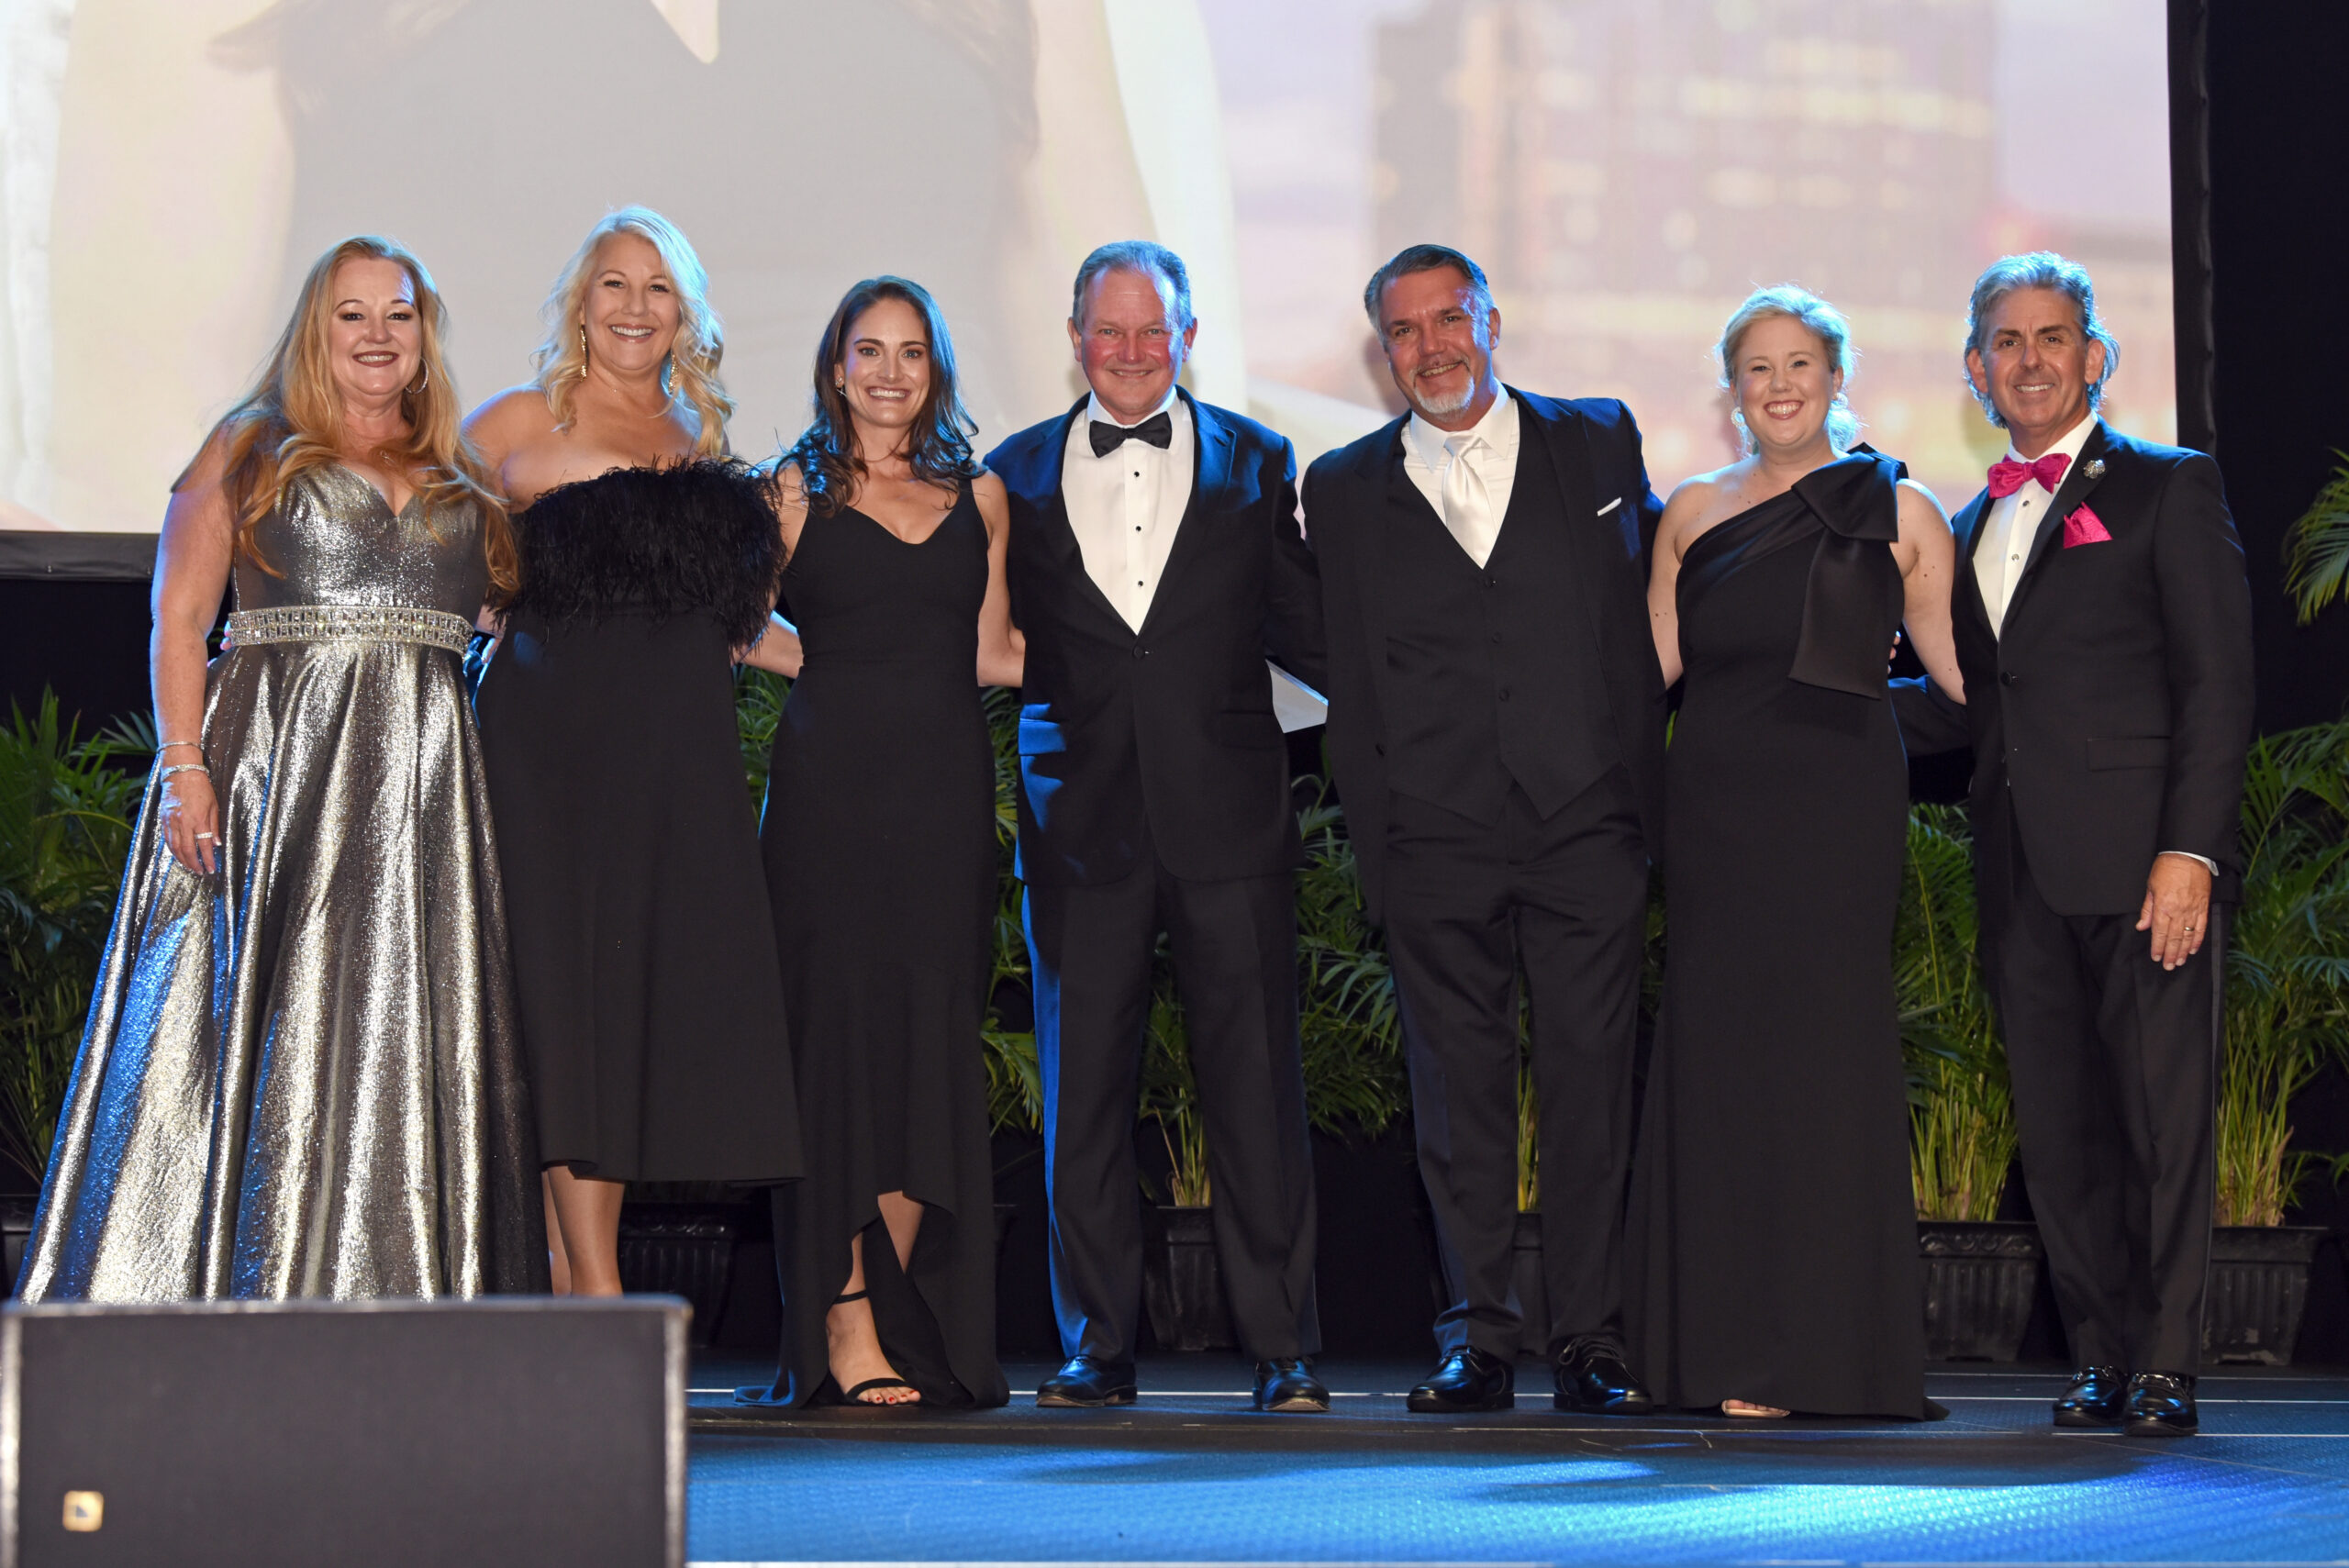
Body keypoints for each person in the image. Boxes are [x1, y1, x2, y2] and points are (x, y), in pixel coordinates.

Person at [17, 237, 543, 1300]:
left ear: (424, 332)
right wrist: (183, 765)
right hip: (275, 771)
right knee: (241, 1029)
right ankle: (212, 1290)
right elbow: (178, 616)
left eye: (398, 314)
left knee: (399, 1027)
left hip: (421, 791)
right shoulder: (250, 444)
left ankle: (390, 1290)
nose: (377, 335)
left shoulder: (461, 472)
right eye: (353, 314)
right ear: (316, 327)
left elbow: (503, 620)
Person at [1894, 253, 2254, 1439]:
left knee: (2159, 1124)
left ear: (2096, 355)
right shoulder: (1969, 521)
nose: (2031, 359)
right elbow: (1966, 705)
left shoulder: (2167, 485)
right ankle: (2100, 1353)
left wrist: (2190, 851)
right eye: (2006, 341)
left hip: (2146, 868)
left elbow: (2215, 684)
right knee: (2059, 1132)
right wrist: (1804, 717)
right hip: (2019, 872)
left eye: (2052, 337)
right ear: (1975, 367)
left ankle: (2166, 1362)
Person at [1301, 245, 1664, 1415]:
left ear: (1491, 322)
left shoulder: (1597, 437)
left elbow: (1660, 587)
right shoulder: (1340, 486)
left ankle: (1591, 1334)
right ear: (1383, 352)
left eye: (1448, 319)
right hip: (1432, 833)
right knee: (1454, 1099)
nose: (1431, 346)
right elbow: (1332, 649)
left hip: (1583, 820)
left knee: (1589, 1086)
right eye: (1404, 331)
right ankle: (1477, 1336)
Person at [985, 242, 1330, 1414]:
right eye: (1108, 329)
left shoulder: (1259, 457)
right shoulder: (1011, 472)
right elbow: (986, 637)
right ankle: (1095, 1344)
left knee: (1256, 1093)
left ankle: (1282, 1347)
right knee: (1082, 1097)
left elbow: (1305, 626)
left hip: (1228, 817)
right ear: (1074, 336)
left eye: (1152, 330)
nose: (1129, 352)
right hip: (1078, 819)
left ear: (1186, 336)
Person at [1626, 287, 1963, 1419]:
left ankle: (1825, 1354)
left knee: (1825, 1062)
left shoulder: (1901, 508)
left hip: (1837, 814)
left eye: (1799, 364)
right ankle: (1724, 1350)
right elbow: (1643, 674)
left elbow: (1962, 673)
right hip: (1715, 814)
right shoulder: (1689, 510)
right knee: (1722, 1063)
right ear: (1732, 388)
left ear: (1835, 376)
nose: (1779, 385)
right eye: (1757, 368)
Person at [468, 207, 801, 1297]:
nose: (634, 305)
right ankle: (600, 1293)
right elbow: (411, 539)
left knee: (619, 1018)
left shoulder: (700, 442)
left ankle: (577, 1289)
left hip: (672, 762)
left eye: (658, 287)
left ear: (685, 315)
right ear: (581, 302)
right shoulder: (517, 420)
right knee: (563, 1006)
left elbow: (736, 627)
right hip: (546, 753)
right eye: (614, 282)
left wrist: (875, 665)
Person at [736, 277, 1019, 1409]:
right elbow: (735, 623)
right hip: (828, 805)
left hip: (945, 804)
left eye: (911, 352)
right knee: (837, 1056)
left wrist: (1157, 664)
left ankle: (897, 1310)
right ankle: (843, 1317)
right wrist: (829, 662)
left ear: (934, 369)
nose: (890, 372)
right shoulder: (790, 492)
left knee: (923, 1053)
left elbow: (993, 652)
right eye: (869, 350)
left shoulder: (981, 494)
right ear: (836, 367)